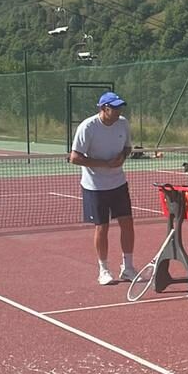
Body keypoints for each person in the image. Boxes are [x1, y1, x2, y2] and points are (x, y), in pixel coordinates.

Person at [69, 91, 136, 285]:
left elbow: (127, 148)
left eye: (119, 107)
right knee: (102, 227)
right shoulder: (88, 127)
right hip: (95, 187)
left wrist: (122, 158)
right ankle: (104, 270)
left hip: (118, 183)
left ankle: (128, 267)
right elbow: (74, 157)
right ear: (103, 108)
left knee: (127, 224)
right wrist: (105, 164)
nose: (118, 111)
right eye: (114, 108)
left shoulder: (123, 123)